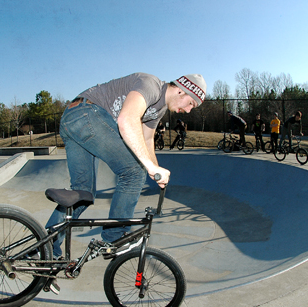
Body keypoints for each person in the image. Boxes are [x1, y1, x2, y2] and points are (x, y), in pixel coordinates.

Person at [46, 72, 207, 258]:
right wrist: (146, 167)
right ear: (181, 91)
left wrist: (155, 171)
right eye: (190, 104)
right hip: (87, 114)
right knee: (133, 172)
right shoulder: (151, 85)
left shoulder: (159, 109)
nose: (188, 111)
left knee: (83, 193)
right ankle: (115, 236)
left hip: (73, 120)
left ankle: (44, 249)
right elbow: (126, 120)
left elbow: (147, 140)